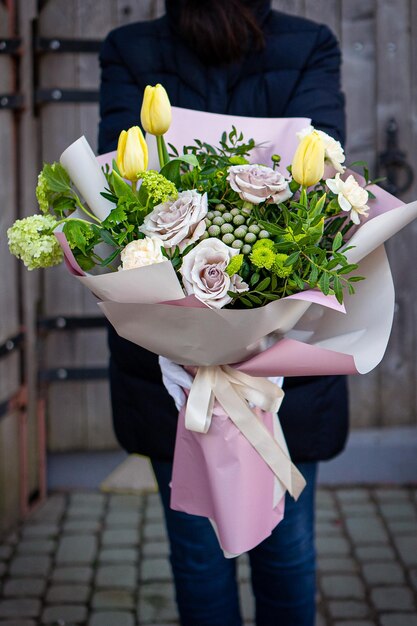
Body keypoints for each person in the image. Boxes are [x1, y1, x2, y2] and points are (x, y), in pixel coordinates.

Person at [98, 1, 348, 624]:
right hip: (194, 365)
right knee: (265, 553)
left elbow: (324, 178)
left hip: (240, 363)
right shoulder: (131, 48)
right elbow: (116, 192)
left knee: (231, 552)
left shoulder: (308, 44)